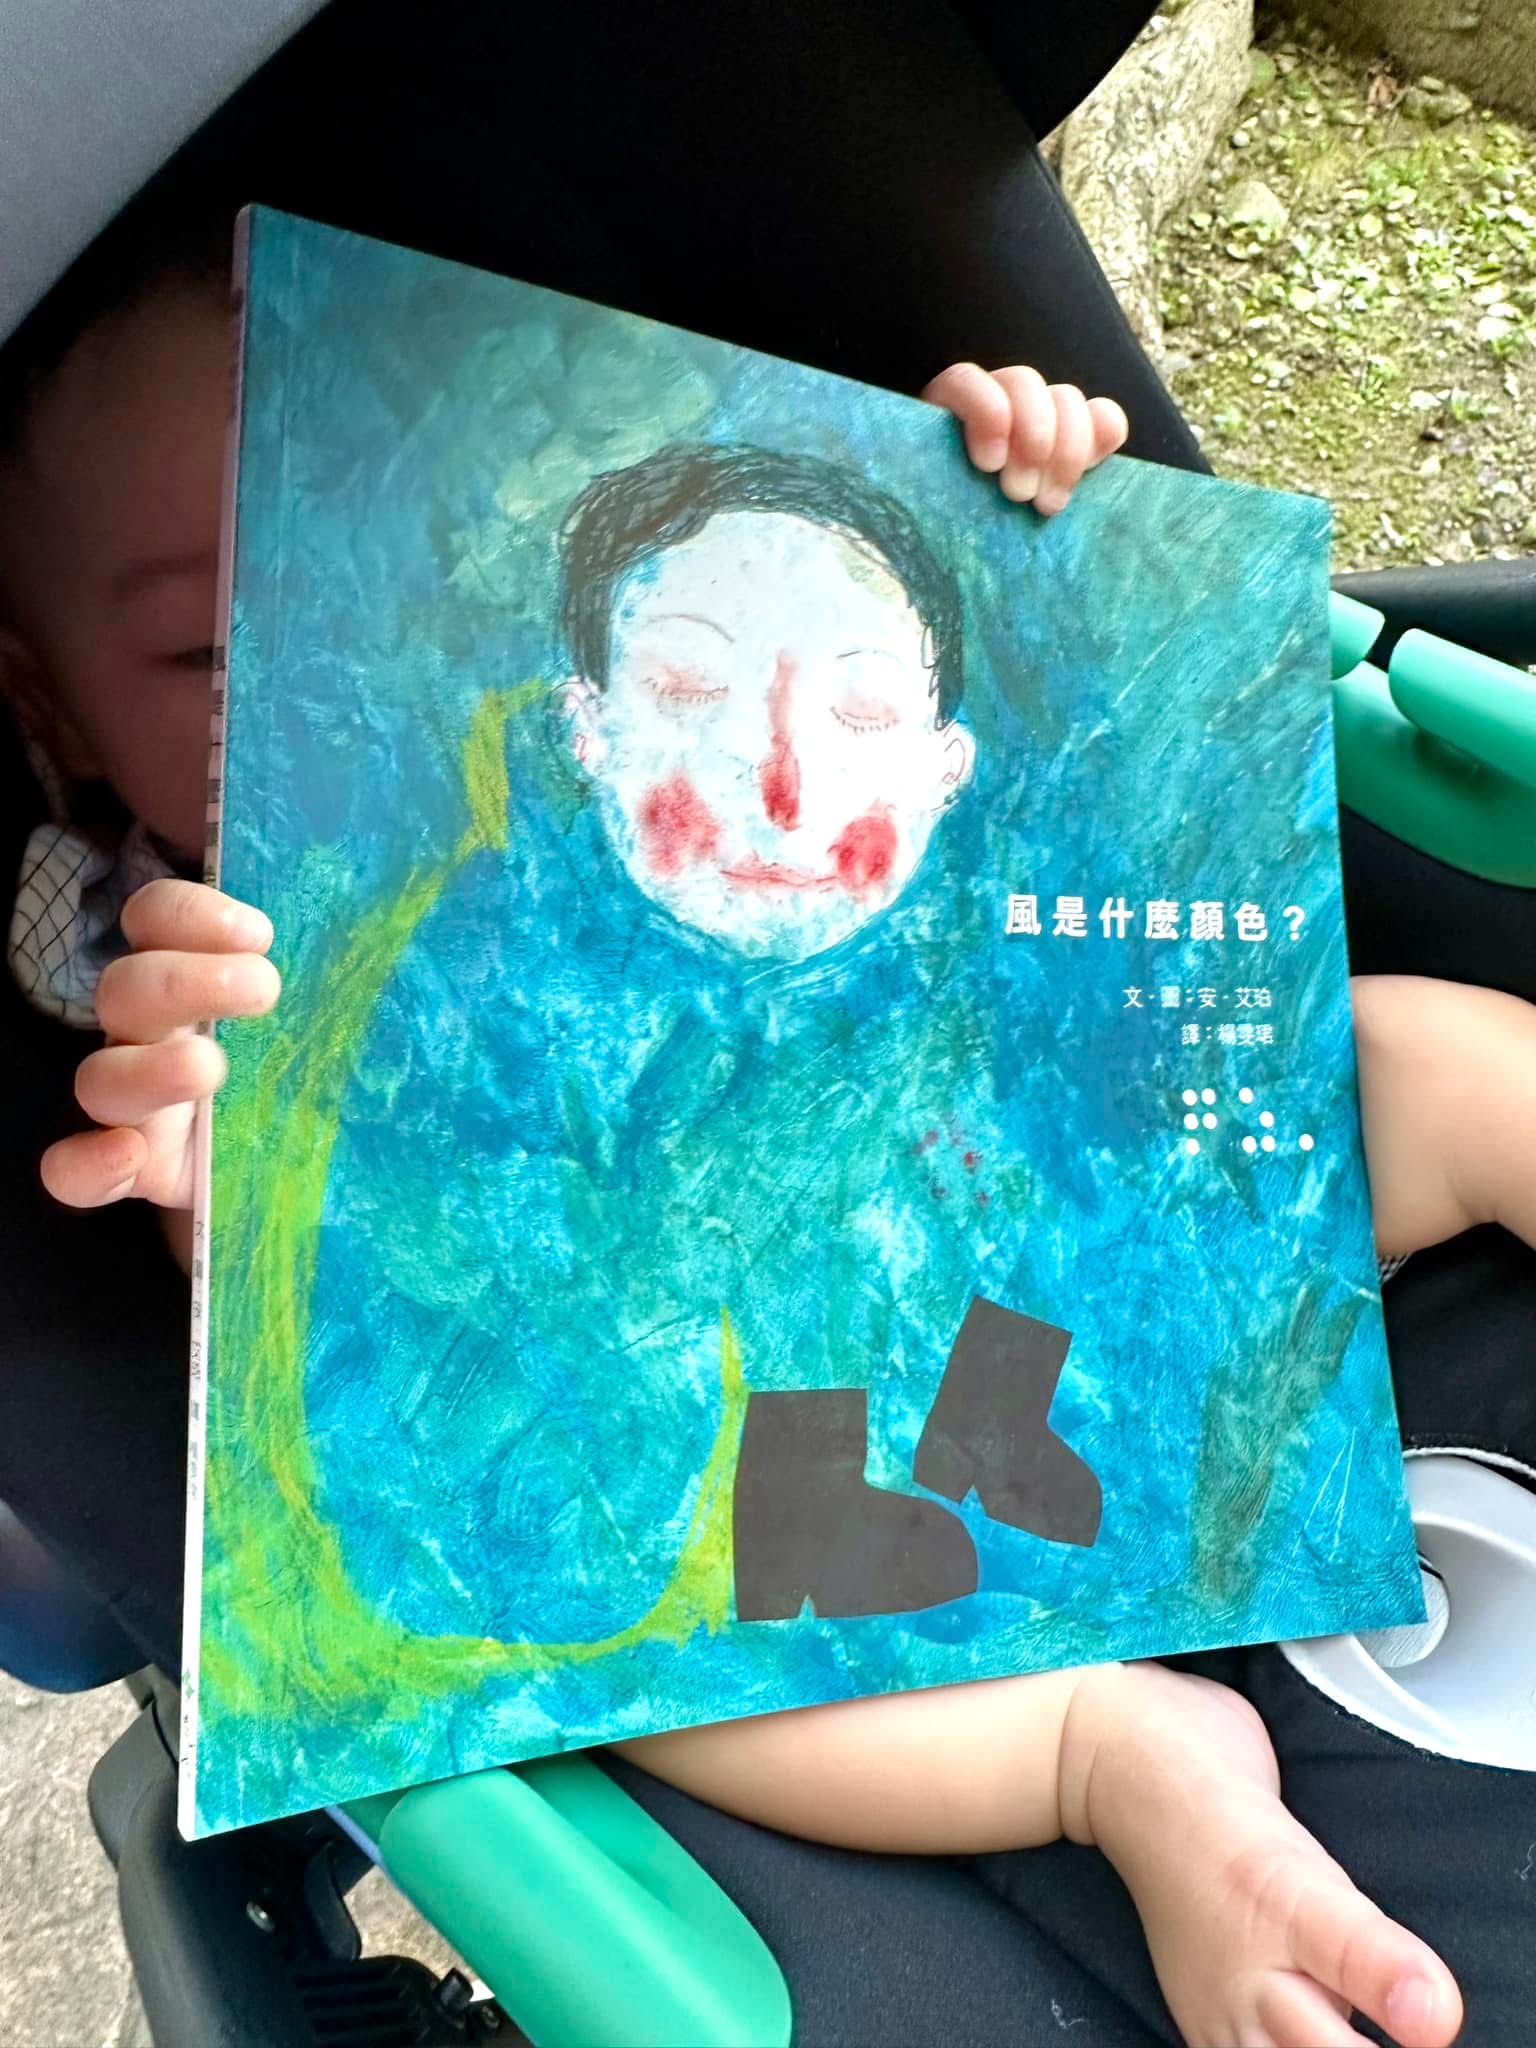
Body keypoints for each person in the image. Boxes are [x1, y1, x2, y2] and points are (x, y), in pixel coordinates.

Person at [5, 244, 1536, 2048]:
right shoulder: (189, 968)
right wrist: (230, 1191)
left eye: (413, 588)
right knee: (592, 1648)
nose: (339, 679)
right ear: (52, 708)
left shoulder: (647, 668)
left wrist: (997, 495)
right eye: (211, 654)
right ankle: (1119, 1759)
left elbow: (1006, 743)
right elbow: (341, 1376)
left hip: (1026, 1207)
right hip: (737, 1406)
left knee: (1428, 1062)